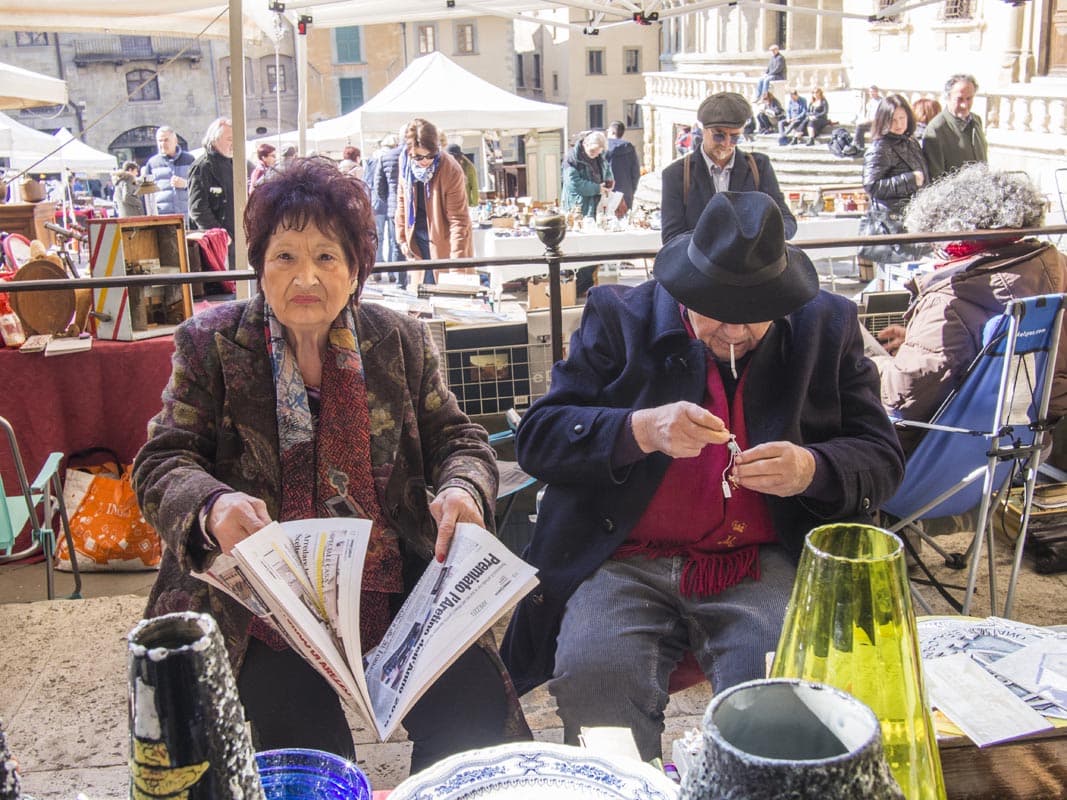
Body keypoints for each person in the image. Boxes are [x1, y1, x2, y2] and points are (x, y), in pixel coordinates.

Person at [133, 156, 530, 770]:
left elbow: (459, 438)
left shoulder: (397, 339)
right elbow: (163, 460)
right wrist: (212, 506)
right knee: (302, 757)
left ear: (355, 270)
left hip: (395, 580)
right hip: (265, 603)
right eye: (285, 255)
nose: (305, 277)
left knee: (475, 725)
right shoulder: (210, 344)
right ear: (260, 266)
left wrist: (464, 491)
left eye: (326, 256)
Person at [501, 190, 905, 761]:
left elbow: (883, 458)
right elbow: (538, 438)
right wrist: (639, 430)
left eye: (754, 315)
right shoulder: (620, 317)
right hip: (626, 554)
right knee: (595, 677)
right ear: (685, 292)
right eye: (718, 312)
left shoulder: (826, 325)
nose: (735, 333)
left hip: (760, 557)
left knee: (775, 696)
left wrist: (811, 469)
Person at [866, 164, 1067, 452]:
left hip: (937, 456)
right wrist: (918, 341)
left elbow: (902, 398)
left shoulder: (951, 298)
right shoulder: (1052, 268)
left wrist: (871, 365)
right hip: (1022, 444)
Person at [661, 91, 796, 245]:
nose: (726, 143)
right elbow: (671, 237)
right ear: (703, 130)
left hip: (750, 267)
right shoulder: (676, 174)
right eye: (719, 135)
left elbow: (786, 219)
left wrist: (764, 237)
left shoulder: (759, 167)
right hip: (701, 267)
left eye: (734, 137)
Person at [394, 118, 473, 288]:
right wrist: (401, 237)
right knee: (421, 296)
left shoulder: (450, 168)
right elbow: (402, 200)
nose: (425, 161)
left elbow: (459, 220)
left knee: (441, 296)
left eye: (431, 155)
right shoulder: (405, 164)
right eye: (418, 157)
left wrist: (457, 263)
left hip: (444, 241)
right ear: (409, 151)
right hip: (417, 239)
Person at [861, 94, 928, 265]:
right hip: (891, 222)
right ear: (883, 120)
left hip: (913, 216)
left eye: (902, 118)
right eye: (893, 119)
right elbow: (871, 185)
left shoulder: (910, 142)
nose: (898, 124)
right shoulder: (880, 146)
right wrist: (909, 180)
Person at [188, 117, 236, 267]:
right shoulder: (202, 167)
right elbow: (197, 209)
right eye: (229, 139)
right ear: (215, 140)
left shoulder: (237, 163)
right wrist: (220, 234)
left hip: (235, 240)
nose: (234, 143)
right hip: (213, 243)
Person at [921, 74, 987, 181]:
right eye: (959, 99)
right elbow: (936, 178)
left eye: (969, 99)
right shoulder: (936, 129)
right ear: (948, 97)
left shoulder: (976, 121)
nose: (964, 105)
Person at [142, 125, 194, 216]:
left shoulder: (189, 160)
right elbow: (146, 194)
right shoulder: (152, 163)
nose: (162, 144)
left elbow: (200, 186)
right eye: (160, 141)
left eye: (166, 140)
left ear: (175, 141)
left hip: (187, 216)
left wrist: (186, 184)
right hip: (163, 217)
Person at [561, 130, 614, 219]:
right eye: (592, 151)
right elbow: (574, 184)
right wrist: (597, 188)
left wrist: (609, 181)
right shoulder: (571, 159)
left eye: (598, 152)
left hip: (597, 205)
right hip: (578, 207)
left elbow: (607, 169)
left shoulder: (600, 156)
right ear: (585, 144)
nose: (596, 155)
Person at [606, 120, 641, 213]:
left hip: (608, 190)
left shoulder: (604, 148)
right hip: (626, 190)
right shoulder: (630, 148)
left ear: (613, 132)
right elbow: (636, 172)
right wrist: (632, 189)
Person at [446, 143, 480, 207]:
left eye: (454, 157)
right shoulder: (445, 168)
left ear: (459, 157)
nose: (452, 159)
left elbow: (474, 186)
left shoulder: (469, 167)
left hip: (465, 204)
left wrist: (474, 205)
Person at [853, 85, 882, 149]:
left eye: (873, 92)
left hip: (878, 123)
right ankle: (860, 147)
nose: (871, 93)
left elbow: (881, 115)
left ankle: (857, 144)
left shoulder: (881, 101)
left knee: (860, 126)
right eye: (870, 92)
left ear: (877, 92)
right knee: (859, 127)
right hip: (870, 122)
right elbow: (868, 114)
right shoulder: (870, 101)